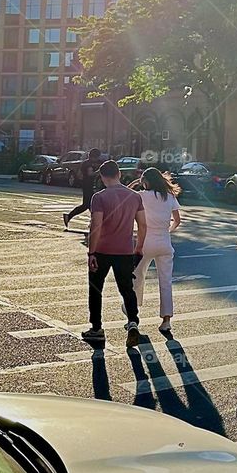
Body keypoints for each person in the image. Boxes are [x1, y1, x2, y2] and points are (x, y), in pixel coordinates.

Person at [82, 160, 146, 349]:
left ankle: (97, 328)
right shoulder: (134, 197)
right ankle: (133, 321)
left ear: (102, 177)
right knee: (126, 288)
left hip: (102, 250)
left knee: (96, 289)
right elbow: (143, 225)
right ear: (119, 174)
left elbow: (97, 225)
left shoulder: (99, 197)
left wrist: (91, 252)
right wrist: (139, 248)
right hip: (125, 251)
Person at [131, 167, 181, 335]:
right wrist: (168, 231)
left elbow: (125, 193)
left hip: (145, 242)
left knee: (138, 277)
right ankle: (166, 320)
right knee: (165, 282)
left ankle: (133, 315)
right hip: (165, 243)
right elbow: (177, 220)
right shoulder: (169, 196)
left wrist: (135, 183)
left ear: (146, 182)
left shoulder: (142, 196)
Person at [64, 149, 102, 230]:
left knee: (90, 205)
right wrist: (99, 171)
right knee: (88, 205)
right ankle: (70, 216)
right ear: (94, 157)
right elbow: (90, 174)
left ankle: (93, 222)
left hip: (87, 186)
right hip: (88, 186)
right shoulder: (88, 164)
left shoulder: (86, 163)